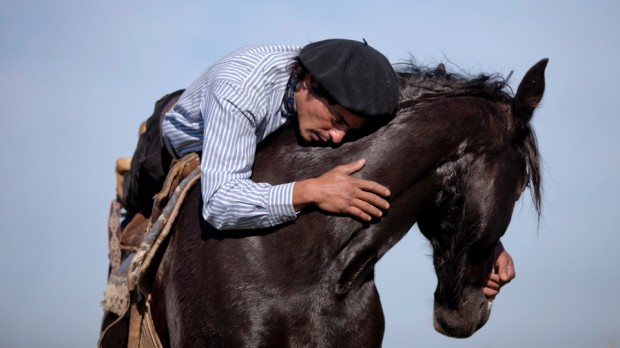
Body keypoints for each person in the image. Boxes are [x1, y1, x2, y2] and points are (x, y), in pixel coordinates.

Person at [124, 38, 515, 297]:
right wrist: (310, 190)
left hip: (268, 127)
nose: (336, 138)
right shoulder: (239, 93)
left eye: (348, 128)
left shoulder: (344, 88)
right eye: (337, 120)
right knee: (132, 226)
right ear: (309, 83)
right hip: (173, 142)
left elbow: (420, 162)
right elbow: (220, 203)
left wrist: (483, 243)